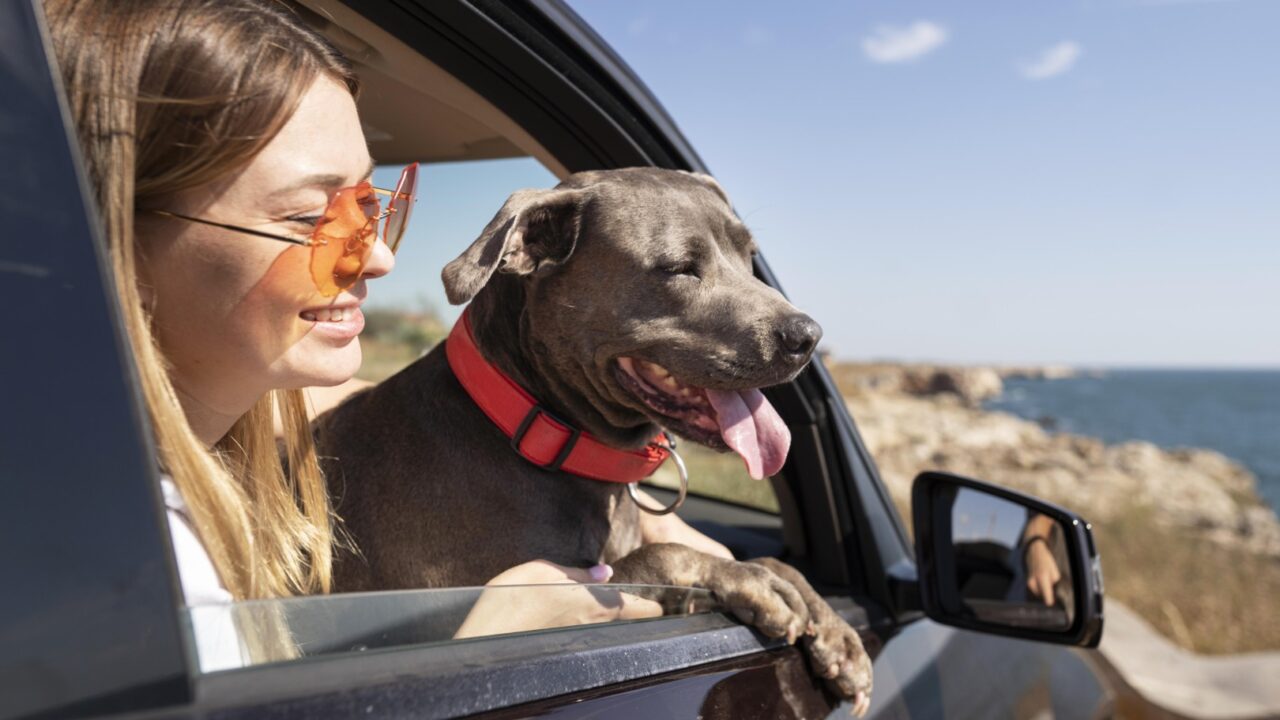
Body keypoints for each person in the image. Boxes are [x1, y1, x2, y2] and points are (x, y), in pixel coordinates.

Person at [46, 0, 726, 663]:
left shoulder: (170, 437)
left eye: (370, 206)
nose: (377, 256)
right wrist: (485, 649)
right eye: (311, 219)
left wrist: (629, 484)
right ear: (120, 245)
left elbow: (341, 401)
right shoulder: (135, 569)